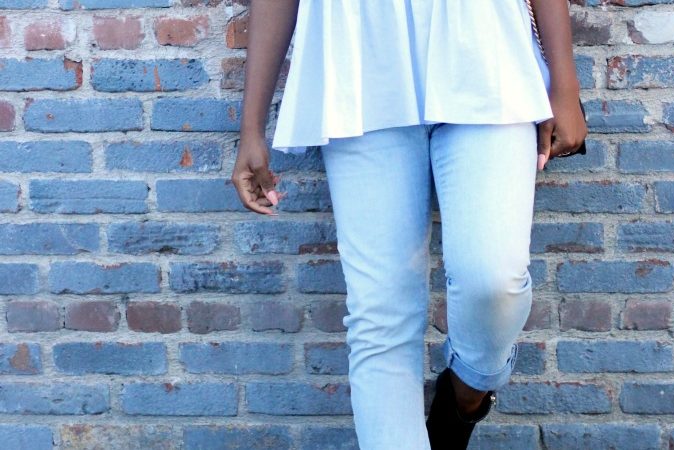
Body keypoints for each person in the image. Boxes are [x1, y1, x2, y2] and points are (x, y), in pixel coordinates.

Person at [232, 1, 587, 448]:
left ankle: (465, 396)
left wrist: (564, 83)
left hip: (488, 49)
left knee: (494, 280)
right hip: (360, 63)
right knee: (381, 315)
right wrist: (251, 127)